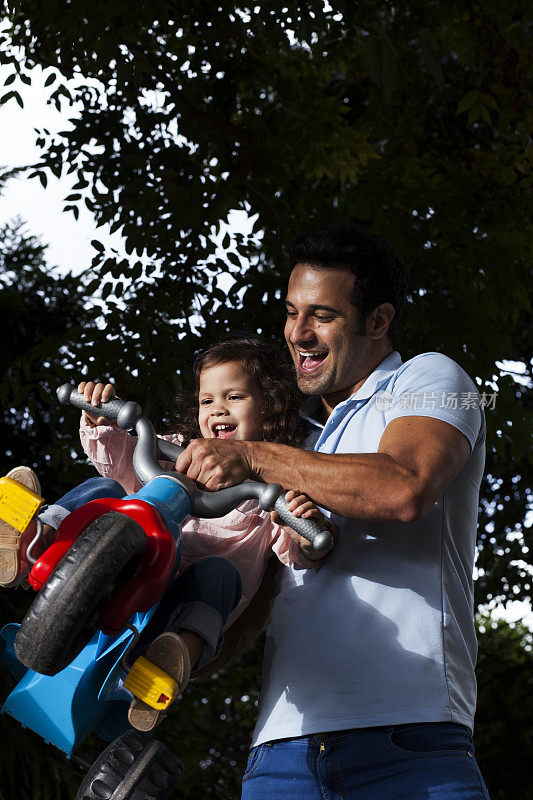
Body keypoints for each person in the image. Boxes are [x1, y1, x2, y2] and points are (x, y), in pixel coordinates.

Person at [174, 225, 491, 799]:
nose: (298, 333)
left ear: (377, 321)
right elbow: (262, 596)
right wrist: (180, 641)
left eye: (322, 315)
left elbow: (405, 486)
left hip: (409, 739)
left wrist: (251, 455)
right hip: (281, 752)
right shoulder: (299, 445)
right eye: (292, 312)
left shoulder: (432, 379)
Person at [0, 336, 334, 732]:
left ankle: (171, 661)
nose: (218, 409)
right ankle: (32, 542)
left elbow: (296, 552)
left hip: (178, 601)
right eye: (207, 400)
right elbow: (120, 458)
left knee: (219, 576)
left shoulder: (267, 488)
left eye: (235, 397)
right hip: (132, 559)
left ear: (269, 408)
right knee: (108, 491)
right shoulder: (175, 449)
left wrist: (301, 525)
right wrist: (101, 421)